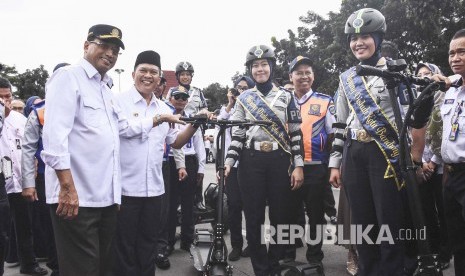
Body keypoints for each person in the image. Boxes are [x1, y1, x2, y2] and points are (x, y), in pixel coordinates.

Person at [41, 24, 186, 276]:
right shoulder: (68, 77)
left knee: (105, 268)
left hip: (105, 199)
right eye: (104, 46)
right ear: (86, 46)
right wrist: (66, 187)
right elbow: (54, 138)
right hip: (77, 197)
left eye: (115, 50)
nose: (110, 53)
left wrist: (114, 198)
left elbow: (118, 134)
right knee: (83, 268)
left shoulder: (105, 91)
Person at [328, 8, 409, 275]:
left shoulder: (396, 72)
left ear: (379, 39)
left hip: (383, 154)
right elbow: (340, 124)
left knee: (388, 220)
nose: (358, 42)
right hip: (354, 152)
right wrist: (335, 163)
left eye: (365, 36)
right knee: (362, 221)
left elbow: (409, 116)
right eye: (353, 37)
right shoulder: (346, 78)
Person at [112, 50, 198, 276]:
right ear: (133, 74)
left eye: (153, 72)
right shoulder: (118, 101)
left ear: (160, 78)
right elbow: (123, 130)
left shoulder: (163, 107)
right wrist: (158, 120)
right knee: (124, 247)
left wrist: (195, 124)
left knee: (148, 244)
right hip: (125, 191)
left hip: (155, 191)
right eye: (143, 70)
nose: (148, 76)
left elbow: (176, 142)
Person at [224, 45, 304, 276]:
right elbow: (237, 134)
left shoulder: (287, 97)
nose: (260, 69)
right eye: (255, 66)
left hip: (280, 159)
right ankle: (260, 269)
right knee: (254, 216)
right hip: (251, 161)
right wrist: (229, 162)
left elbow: (296, 134)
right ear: (250, 69)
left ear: (271, 67)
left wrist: (298, 165)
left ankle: (273, 264)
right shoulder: (244, 99)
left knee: (281, 216)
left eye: (263, 65)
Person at [287, 56, 336, 269]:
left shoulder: (325, 101)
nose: (304, 76)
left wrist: (334, 164)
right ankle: (288, 254)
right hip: (288, 167)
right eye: (299, 73)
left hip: (316, 166)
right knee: (288, 212)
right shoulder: (283, 100)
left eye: (308, 72)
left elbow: (334, 134)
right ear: (291, 77)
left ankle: (315, 256)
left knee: (315, 214)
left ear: (313, 76)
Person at [0, 77, 47, 276]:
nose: (5, 102)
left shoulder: (20, 119)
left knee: (24, 224)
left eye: (7, 97)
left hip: (20, 181)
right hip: (2, 182)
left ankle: (28, 263)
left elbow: (31, 146)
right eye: (0, 98)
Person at [432, 28, 465, 276]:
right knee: (457, 240)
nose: (455, 58)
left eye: (462, 52)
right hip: (451, 175)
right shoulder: (451, 90)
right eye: (452, 53)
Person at [414, 62, 452, 270]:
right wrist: (420, 163)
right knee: (426, 211)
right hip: (421, 167)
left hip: (440, 166)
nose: (424, 79)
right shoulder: (416, 102)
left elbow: (445, 136)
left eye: (428, 74)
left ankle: (446, 253)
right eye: (420, 75)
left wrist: (433, 162)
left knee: (444, 210)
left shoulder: (446, 100)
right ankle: (432, 251)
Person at [215, 75, 254, 261]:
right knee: (233, 206)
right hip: (232, 167)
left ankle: (254, 244)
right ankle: (236, 245)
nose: (242, 91)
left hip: (252, 165)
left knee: (253, 207)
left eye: (246, 88)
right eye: (239, 88)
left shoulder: (256, 109)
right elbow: (220, 125)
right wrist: (230, 103)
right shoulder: (230, 111)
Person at [166, 87, 206, 254]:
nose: (181, 100)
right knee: (170, 203)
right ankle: (167, 241)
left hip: (189, 161)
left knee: (188, 204)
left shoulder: (191, 118)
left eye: (184, 97)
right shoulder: (165, 116)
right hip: (169, 162)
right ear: (170, 98)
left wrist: (201, 168)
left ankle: (187, 240)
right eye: (177, 97)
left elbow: (199, 145)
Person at [167, 61, 208, 212]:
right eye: (182, 74)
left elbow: (204, 109)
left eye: (188, 75)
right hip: (176, 128)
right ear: (177, 76)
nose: (185, 77)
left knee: (196, 170)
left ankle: (198, 199)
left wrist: (204, 115)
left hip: (194, 128)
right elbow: (167, 108)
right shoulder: (171, 90)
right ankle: (177, 202)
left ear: (192, 77)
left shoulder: (198, 92)